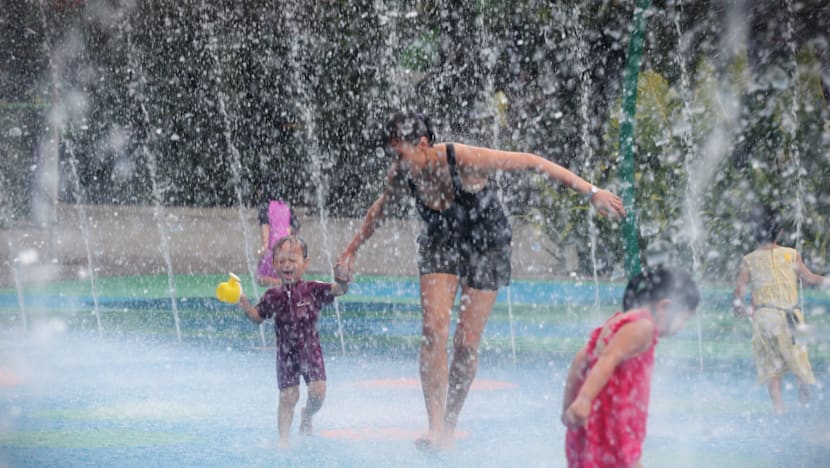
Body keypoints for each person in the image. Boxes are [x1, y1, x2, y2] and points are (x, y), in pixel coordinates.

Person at [335, 111, 626, 450]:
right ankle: (435, 428)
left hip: (486, 243)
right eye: (392, 154)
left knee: (466, 344)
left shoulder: (463, 158)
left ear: (423, 144)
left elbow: (532, 162)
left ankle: (450, 424)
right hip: (441, 242)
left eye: (400, 153)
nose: (396, 162)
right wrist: (351, 250)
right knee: (433, 330)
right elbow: (381, 208)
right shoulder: (403, 174)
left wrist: (592, 192)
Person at [562, 266, 700, 468]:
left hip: (595, 422)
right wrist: (584, 399)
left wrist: (569, 407)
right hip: (614, 425)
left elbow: (581, 358)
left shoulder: (620, 321)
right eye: (683, 319)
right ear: (665, 307)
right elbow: (609, 358)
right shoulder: (643, 327)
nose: (681, 327)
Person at [239, 235, 350, 447]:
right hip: (285, 355)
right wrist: (245, 304)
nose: (287, 265)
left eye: (292, 260)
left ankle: (307, 413)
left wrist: (343, 281)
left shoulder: (313, 289)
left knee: (318, 394)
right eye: (281, 261)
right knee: (287, 397)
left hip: (311, 352)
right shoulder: (272, 295)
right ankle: (283, 441)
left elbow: (338, 290)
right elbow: (258, 318)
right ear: (274, 264)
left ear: (305, 263)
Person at [732, 207, 826, 415]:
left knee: (771, 367)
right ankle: (805, 405)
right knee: (799, 363)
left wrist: (738, 304)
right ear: (780, 232)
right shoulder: (791, 254)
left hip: (764, 318)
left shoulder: (749, 259)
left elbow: (739, 288)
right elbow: (810, 278)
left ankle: (778, 408)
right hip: (789, 317)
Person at [256, 197, 301, 287]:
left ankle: (280, 283)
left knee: (260, 279)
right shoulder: (287, 206)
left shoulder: (265, 207)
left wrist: (262, 250)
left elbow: (265, 242)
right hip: (288, 253)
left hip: (273, 253)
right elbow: (295, 228)